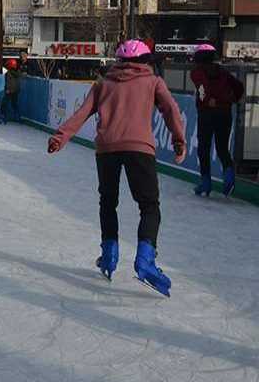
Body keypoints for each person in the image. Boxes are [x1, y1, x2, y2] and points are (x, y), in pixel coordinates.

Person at [48, 40, 187, 297]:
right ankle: (146, 259)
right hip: (139, 148)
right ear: (146, 60)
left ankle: (109, 254)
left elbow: (82, 112)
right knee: (149, 206)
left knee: (108, 201)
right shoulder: (153, 81)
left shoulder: (103, 84)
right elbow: (171, 111)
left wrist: (60, 137)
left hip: (107, 149)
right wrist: (179, 141)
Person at [190, 43, 245, 197]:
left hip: (207, 114)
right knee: (222, 147)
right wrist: (232, 99)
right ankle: (229, 174)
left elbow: (202, 90)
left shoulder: (197, 73)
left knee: (204, 147)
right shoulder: (223, 71)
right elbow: (239, 86)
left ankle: (206, 182)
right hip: (225, 113)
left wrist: (207, 100)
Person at [0, 59, 23, 124]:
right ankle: (17, 117)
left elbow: (9, 82)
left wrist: (8, 89)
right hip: (15, 91)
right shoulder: (18, 72)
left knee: (4, 104)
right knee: (14, 104)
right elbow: (17, 83)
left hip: (10, 91)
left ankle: (3, 117)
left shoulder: (8, 73)